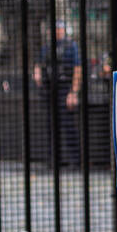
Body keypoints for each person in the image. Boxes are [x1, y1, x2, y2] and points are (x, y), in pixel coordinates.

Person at [33, 20, 82, 166]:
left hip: (65, 88)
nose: (57, 31)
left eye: (59, 29)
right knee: (51, 124)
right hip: (50, 89)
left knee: (68, 125)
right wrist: (37, 73)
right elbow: (39, 62)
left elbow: (77, 69)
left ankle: (75, 159)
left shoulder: (70, 45)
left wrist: (73, 92)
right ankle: (54, 159)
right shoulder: (47, 47)